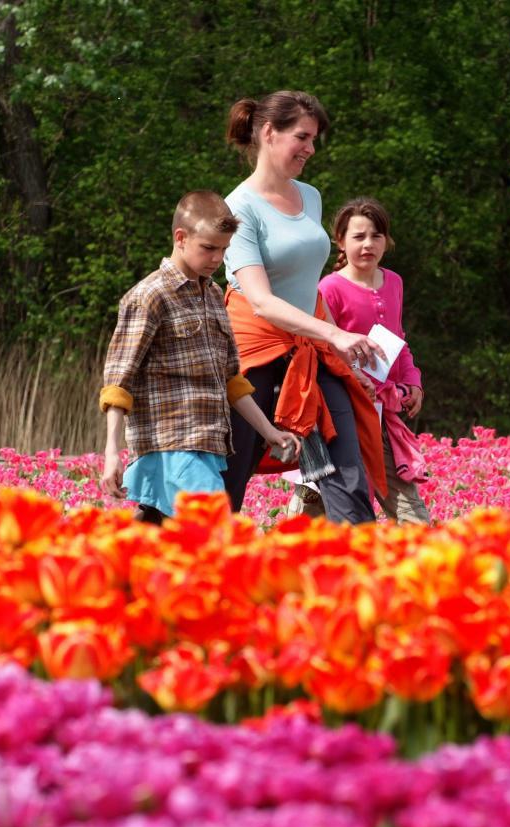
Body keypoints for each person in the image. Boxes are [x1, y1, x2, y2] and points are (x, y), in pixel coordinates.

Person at [222, 90, 389, 523]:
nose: (311, 149)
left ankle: (357, 555)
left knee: (346, 471)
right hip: (254, 351)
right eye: (302, 137)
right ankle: (207, 556)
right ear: (268, 133)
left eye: (314, 139)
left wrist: (343, 356)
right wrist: (335, 334)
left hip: (311, 349)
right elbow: (261, 301)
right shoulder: (238, 207)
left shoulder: (310, 196)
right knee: (229, 479)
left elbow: (308, 290)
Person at [99, 191, 298, 523]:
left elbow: (232, 380)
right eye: (208, 248)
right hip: (169, 444)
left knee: (164, 532)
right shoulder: (149, 296)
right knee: (211, 526)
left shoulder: (214, 295)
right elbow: (119, 382)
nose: (217, 258)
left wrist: (269, 432)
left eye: (224, 249)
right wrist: (111, 452)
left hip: (209, 445)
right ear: (180, 238)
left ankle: (107, 555)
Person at [318, 197, 431, 524]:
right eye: (358, 237)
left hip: (384, 414)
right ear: (340, 241)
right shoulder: (329, 288)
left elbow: (399, 341)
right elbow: (323, 349)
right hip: (344, 412)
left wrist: (413, 382)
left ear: (387, 240)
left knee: (412, 517)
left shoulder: (393, 282)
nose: (368, 244)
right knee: (320, 499)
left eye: (376, 236)